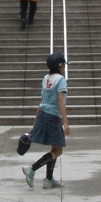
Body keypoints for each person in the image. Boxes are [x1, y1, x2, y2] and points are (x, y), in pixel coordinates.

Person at [22, 52, 70, 189]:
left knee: (54, 148)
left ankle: (49, 180)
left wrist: (36, 121)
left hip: (43, 113)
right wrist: (65, 122)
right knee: (58, 150)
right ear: (60, 66)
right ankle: (32, 168)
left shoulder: (46, 78)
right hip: (53, 116)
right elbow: (61, 100)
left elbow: (42, 100)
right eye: (64, 65)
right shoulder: (61, 80)